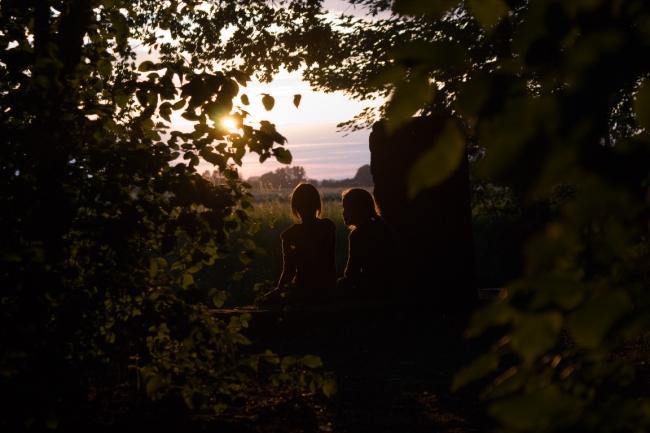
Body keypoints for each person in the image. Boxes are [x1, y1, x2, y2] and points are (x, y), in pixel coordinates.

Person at [264, 183, 336, 304]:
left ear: (295, 207)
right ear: (317, 205)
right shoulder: (328, 227)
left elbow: (288, 270)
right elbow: (330, 262)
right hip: (326, 288)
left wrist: (278, 291)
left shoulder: (290, 235)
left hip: (302, 289)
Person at [338, 188, 395, 299]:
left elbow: (351, 273)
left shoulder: (357, 235)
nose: (343, 213)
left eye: (347, 208)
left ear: (359, 209)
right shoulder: (383, 227)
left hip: (371, 288)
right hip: (390, 285)